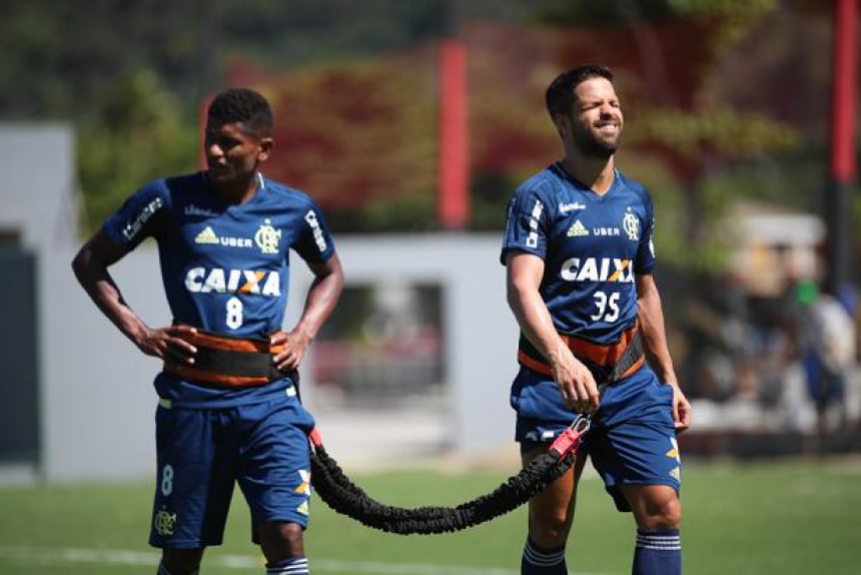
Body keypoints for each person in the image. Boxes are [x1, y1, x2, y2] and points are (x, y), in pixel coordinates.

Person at [72, 88, 344, 575]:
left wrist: (303, 333)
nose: (214, 151)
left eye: (229, 143)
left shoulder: (294, 210)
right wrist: (141, 333)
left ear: (264, 149)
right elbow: (89, 262)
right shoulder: (166, 200)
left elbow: (331, 273)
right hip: (192, 404)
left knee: (284, 533)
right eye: (209, 140)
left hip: (270, 401)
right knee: (182, 552)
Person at [501, 65, 691, 575]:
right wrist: (562, 361)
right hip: (553, 386)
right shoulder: (538, 196)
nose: (610, 112)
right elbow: (521, 289)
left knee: (662, 511)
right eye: (593, 105)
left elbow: (645, 292)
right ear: (563, 123)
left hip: (629, 385)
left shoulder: (637, 199)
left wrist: (668, 378)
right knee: (551, 526)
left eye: (614, 102)